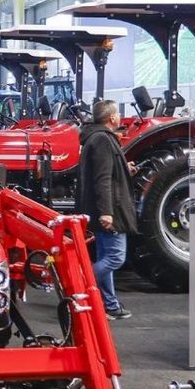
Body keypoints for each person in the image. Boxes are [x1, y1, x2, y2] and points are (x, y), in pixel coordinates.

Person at [75, 99, 136, 320]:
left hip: (105, 207)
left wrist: (124, 168)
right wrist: (106, 212)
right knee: (115, 258)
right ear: (112, 117)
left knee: (106, 255)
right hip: (112, 209)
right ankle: (80, 284)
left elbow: (105, 171)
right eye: (118, 113)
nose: (119, 116)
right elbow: (102, 179)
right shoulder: (102, 139)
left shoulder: (96, 137)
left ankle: (109, 305)